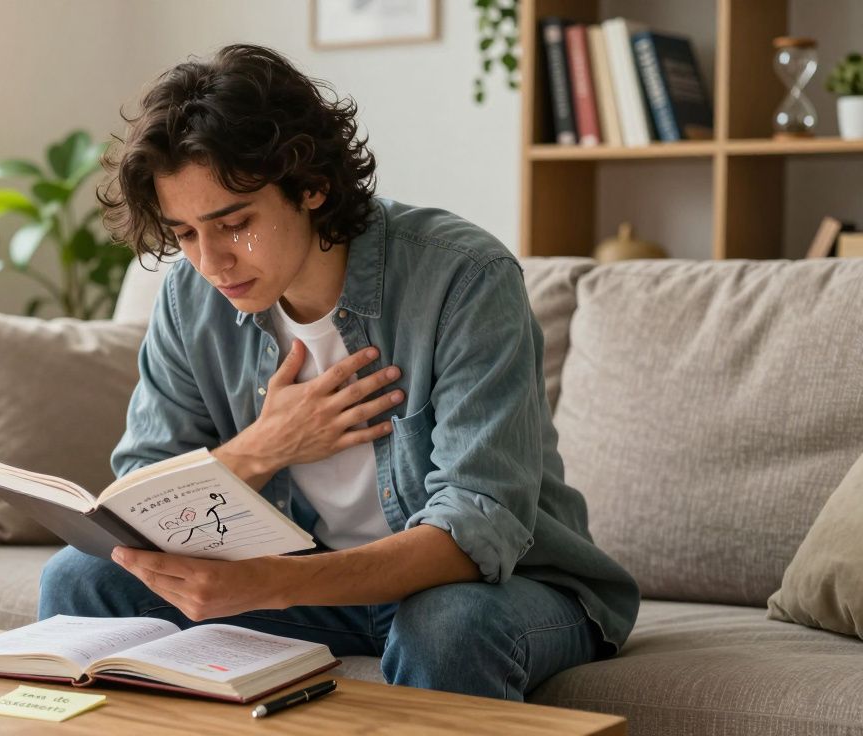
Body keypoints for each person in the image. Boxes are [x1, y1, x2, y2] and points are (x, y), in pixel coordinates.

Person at [38, 43, 639, 701]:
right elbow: (141, 499)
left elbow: (478, 527)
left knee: (445, 623)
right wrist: (262, 450)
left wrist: (270, 582)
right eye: (184, 234)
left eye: (233, 223)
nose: (211, 261)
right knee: (79, 580)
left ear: (313, 186)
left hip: (507, 587)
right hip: (322, 591)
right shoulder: (190, 298)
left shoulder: (464, 278)